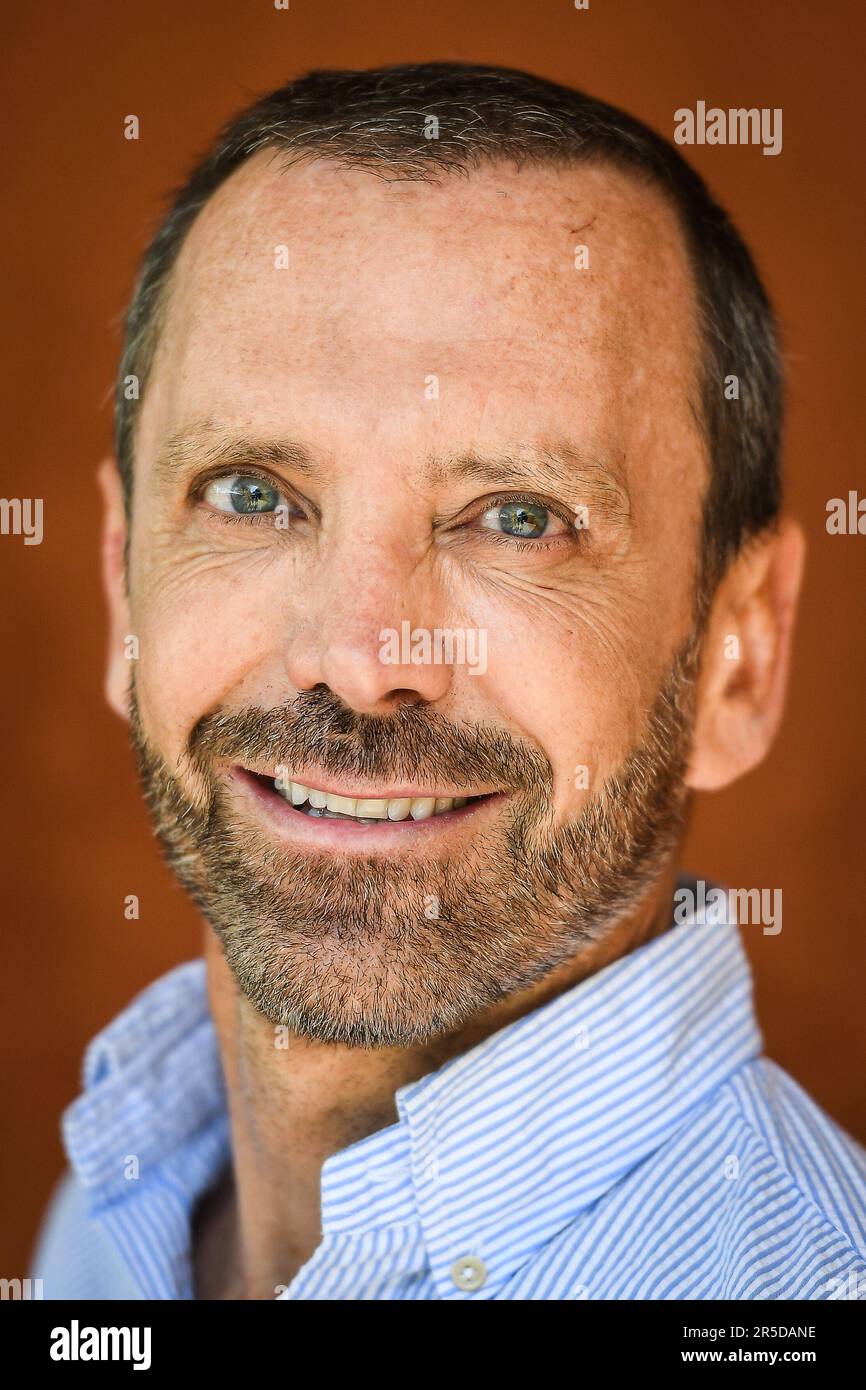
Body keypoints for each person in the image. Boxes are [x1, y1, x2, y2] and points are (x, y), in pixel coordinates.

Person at [32, 62, 866, 1300]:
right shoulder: (115, 1210)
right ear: (122, 584)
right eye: (253, 495)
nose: (363, 662)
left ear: (737, 654)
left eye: (517, 518)